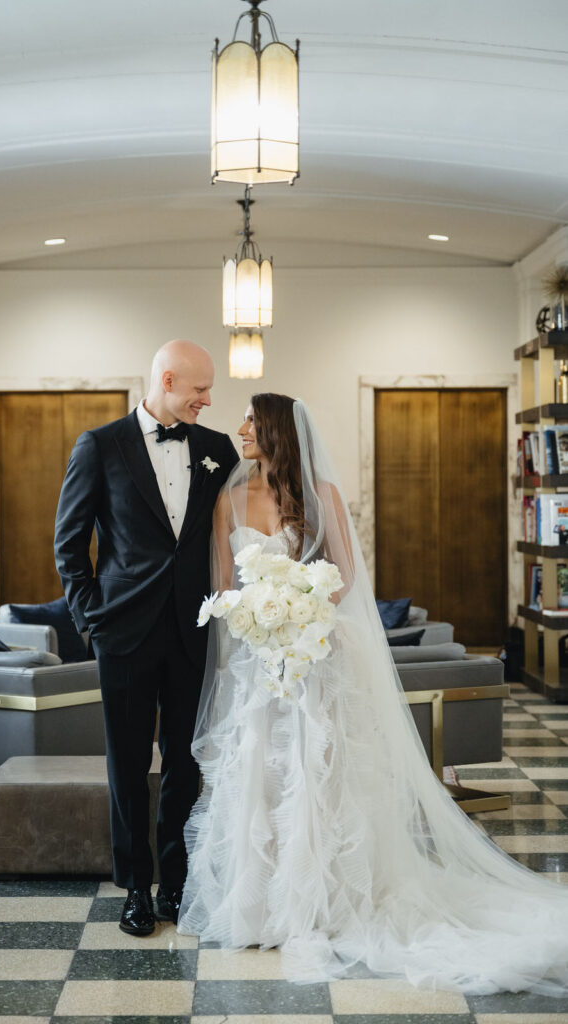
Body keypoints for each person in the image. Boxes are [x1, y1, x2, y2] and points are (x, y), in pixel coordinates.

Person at [178, 393, 568, 995]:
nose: (241, 431)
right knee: (263, 772)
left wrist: (301, 614)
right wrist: (257, 623)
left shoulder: (321, 497)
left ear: (277, 431)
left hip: (317, 658)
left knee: (322, 772)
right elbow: (221, 587)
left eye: (252, 423)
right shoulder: (226, 501)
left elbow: (346, 576)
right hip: (258, 667)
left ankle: (328, 897)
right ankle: (263, 902)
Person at [54, 340, 238, 936]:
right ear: (166, 379)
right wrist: (92, 619)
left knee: (185, 763)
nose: (208, 401)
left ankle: (176, 881)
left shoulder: (216, 450)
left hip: (194, 631)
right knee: (129, 764)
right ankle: (135, 885)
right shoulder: (100, 445)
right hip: (123, 633)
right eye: (199, 390)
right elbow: (69, 543)